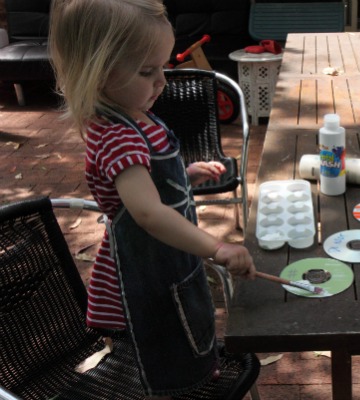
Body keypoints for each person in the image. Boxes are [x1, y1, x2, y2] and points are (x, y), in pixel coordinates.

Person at [48, 0, 256, 398]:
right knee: (159, 334)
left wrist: (186, 177)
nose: (161, 81)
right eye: (146, 71)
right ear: (98, 71)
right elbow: (146, 212)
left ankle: (193, 372)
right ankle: (170, 387)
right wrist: (216, 247)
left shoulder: (139, 113)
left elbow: (151, 189)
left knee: (185, 316)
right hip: (143, 270)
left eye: (162, 66)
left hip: (170, 259)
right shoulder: (117, 134)